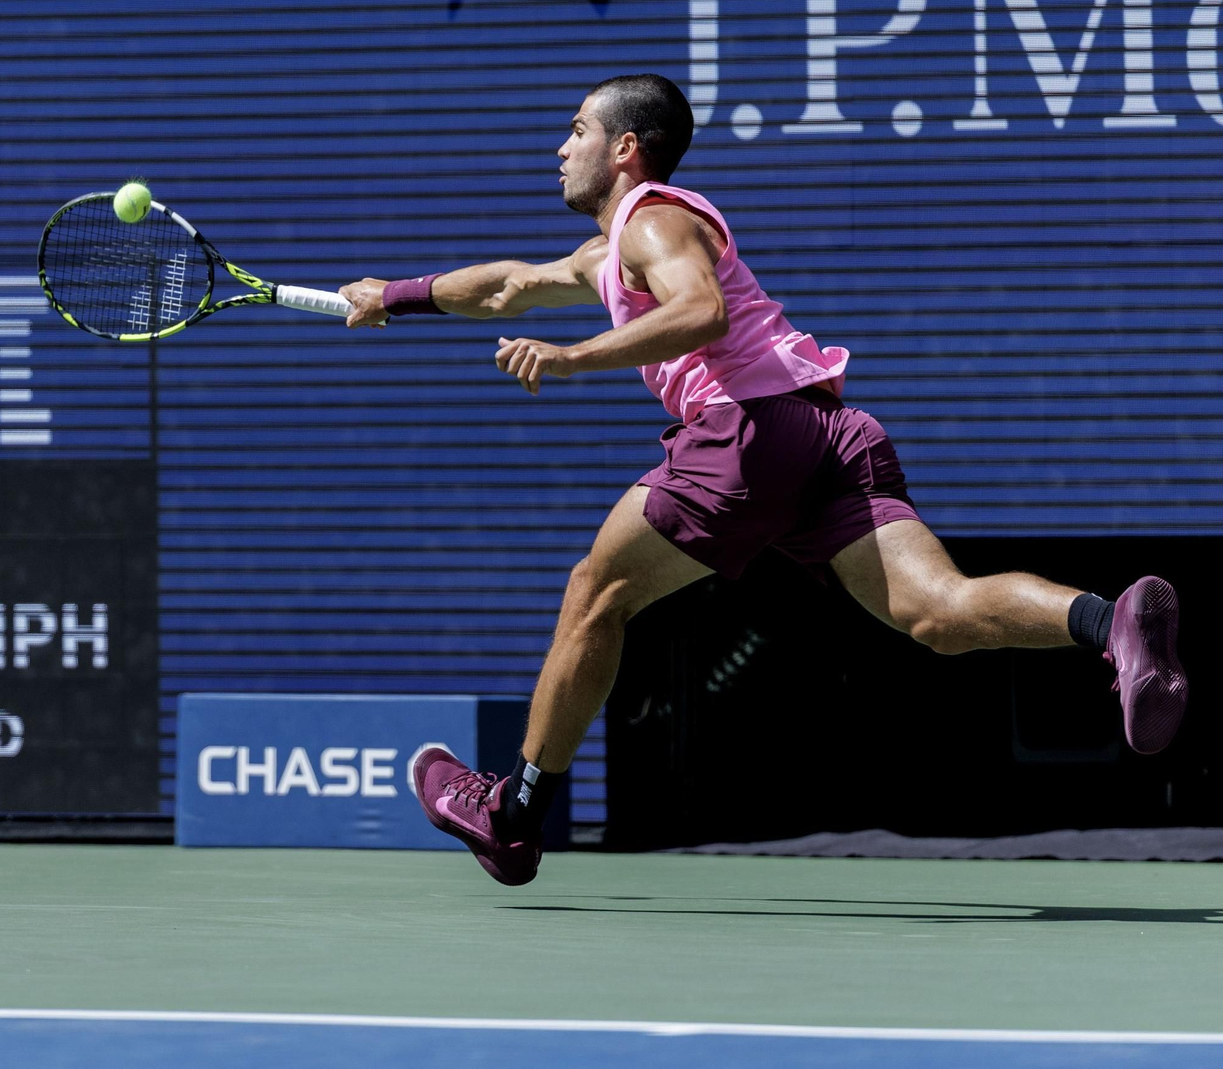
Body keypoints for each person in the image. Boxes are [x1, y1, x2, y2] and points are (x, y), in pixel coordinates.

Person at [337, 74, 1188, 887]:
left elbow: (699, 311)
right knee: (940, 612)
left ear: (626, 148)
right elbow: (511, 287)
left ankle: (514, 814)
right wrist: (397, 294)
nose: (560, 148)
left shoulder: (652, 220)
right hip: (827, 431)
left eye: (577, 131)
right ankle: (1110, 624)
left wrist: (572, 359)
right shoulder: (614, 247)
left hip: (745, 430)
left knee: (596, 593)